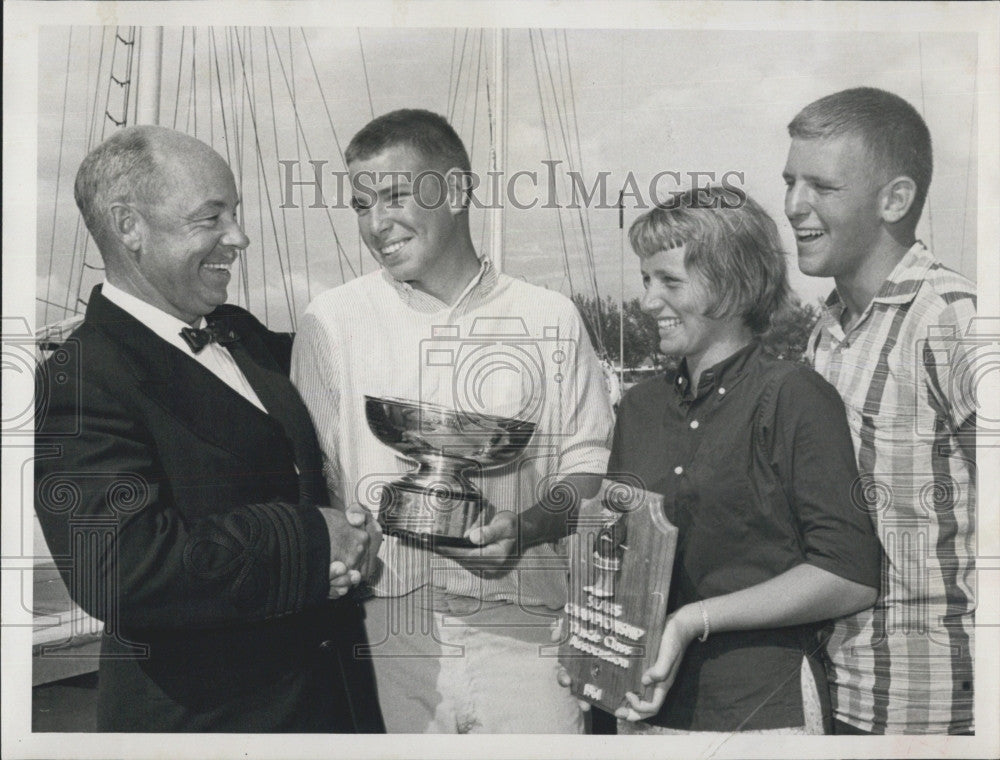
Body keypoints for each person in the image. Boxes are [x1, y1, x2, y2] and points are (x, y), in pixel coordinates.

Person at [34, 125, 382, 732]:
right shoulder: (81, 377)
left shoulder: (242, 333)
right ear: (128, 226)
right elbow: (122, 569)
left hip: (329, 706)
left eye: (236, 212)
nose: (239, 237)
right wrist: (312, 540)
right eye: (211, 216)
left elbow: (355, 377)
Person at [291, 109, 614, 733]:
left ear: (458, 192)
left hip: (525, 626)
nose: (377, 224)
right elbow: (319, 480)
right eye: (361, 205)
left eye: (394, 196)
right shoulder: (330, 320)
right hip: (388, 627)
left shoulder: (551, 316)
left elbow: (589, 465)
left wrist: (523, 529)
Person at [609, 187, 881, 734]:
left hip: (761, 713)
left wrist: (692, 621)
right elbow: (621, 552)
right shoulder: (639, 406)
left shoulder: (792, 395)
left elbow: (849, 575)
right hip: (643, 709)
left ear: (732, 285)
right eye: (646, 280)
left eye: (669, 281)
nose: (647, 302)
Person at [784, 87, 978, 735]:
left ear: (894, 199)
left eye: (822, 187)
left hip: (934, 710)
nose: (793, 206)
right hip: (841, 692)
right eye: (790, 182)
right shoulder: (828, 329)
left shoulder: (951, 319)